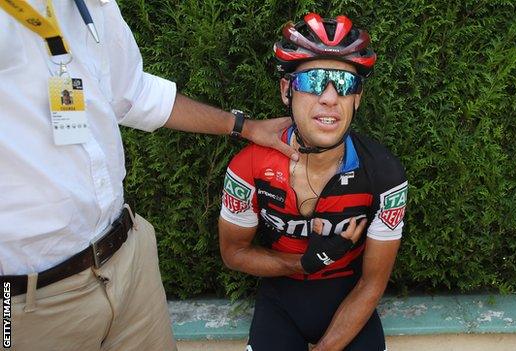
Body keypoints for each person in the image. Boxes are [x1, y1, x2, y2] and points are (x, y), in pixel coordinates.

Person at [0, 0, 297, 350]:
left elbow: (133, 92)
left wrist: (243, 127)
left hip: (127, 259)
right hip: (27, 302)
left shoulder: (89, 5)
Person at [219, 13, 408, 351]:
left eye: (345, 84)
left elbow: (373, 284)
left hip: (351, 302)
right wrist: (305, 262)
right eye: (314, 80)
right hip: (280, 302)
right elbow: (233, 253)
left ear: (357, 98)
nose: (330, 98)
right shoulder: (248, 167)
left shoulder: (385, 175)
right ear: (286, 90)